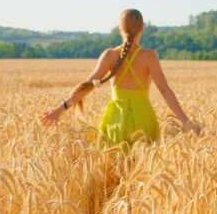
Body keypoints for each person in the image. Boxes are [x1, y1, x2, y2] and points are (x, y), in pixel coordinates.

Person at [41, 9, 201, 148]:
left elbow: (87, 86)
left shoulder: (110, 55)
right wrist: (185, 121)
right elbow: (165, 91)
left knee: (112, 169)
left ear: (119, 28)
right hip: (144, 119)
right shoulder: (149, 57)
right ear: (142, 28)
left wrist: (60, 109)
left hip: (115, 120)